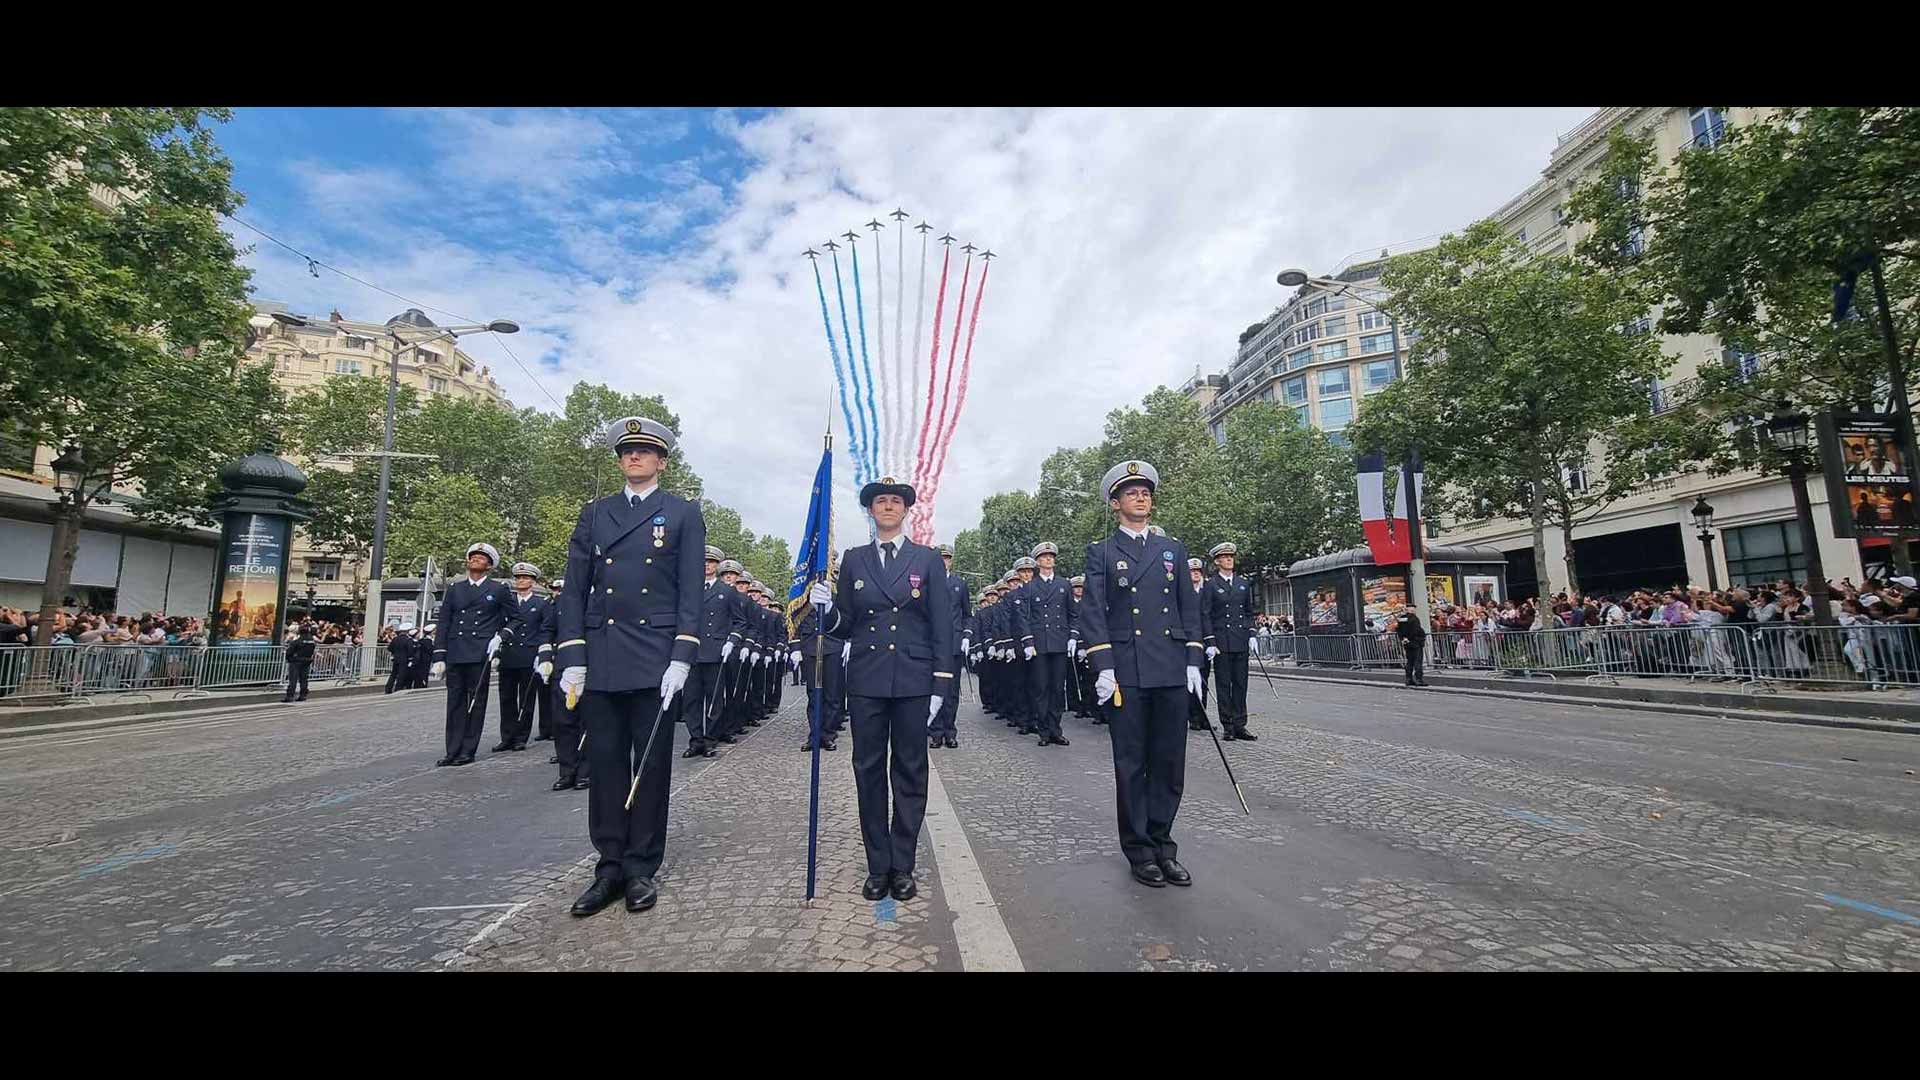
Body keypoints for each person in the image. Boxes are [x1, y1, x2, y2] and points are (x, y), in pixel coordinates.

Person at [558, 416, 705, 918]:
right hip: (602, 654)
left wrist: (682, 655)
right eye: (627, 452)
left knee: (650, 767)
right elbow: (574, 589)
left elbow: (691, 592)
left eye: (644, 452)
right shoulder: (595, 513)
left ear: (662, 461)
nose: (634, 458)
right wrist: (572, 655)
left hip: (655, 656)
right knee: (604, 763)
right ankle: (608, 866)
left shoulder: (682, 514)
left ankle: (641, 866)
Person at [806, 474, 954, 903]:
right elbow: (846, 624)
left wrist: (940, 683)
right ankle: (878, 864)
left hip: (913, 678)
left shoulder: (926, 560)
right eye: (880, 502)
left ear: (907, 510)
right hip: (868, 679)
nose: (888, 507)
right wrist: (826, 608)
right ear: (870, 511)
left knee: (909, 771)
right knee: (868, 770)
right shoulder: (853, 559)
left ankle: (902, 864)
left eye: (895, 501)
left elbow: (941, 624)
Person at [1077, 459, 1205, 890]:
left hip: (1169, 665)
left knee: (1169, 764)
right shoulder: (1103, 552)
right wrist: (1103, 667)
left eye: (1145, 491)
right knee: (1131, 764)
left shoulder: (1173, 550)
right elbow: (1092, 611)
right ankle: (1138, 850)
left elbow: (1189, 606)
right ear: (1115, 503)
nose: (1141, 496)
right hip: (1127, 670)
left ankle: (1163, 844)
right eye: (1131, 492)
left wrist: (1193, 660)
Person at [429, 543, 523, 767]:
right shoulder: (455, 589)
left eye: (481, 558)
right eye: (473, 556)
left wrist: (501, 636)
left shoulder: (498, 589)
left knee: (476, 704)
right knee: (454, 704)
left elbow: (516, 618)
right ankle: (452, 749)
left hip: (480, 651)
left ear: (489, 565)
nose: (476, 559)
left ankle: (467, 750)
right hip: (456, 650)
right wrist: (439, 655)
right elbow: (444, 622)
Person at [1010, 541, 1076, 747]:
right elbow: (1023, 617)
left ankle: (1056, 729)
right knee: (1041, 688)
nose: (1048, 559)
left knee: (1058, 688)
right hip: (1039, 644)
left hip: (1058, 642)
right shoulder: (1030, 587)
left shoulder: (1064, 585)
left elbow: (1072, 614)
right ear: (1038, 562)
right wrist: (1027, 641)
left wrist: (1073, 636)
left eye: (1051, 556)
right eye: (1044, 557)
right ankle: (1044, 731)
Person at [686, 546, 749, 759]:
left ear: (717, 566)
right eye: (704, 562)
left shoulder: (727, 591)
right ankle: (695, 739)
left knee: (714, 699)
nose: (706, 565)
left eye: (711, 562)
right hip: (693, 650)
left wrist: (731, 641)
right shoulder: (691, 588)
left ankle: (710, 739)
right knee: (692, 700)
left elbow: (740, 622)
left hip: (716, 651)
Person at [494, 562, 555, 753]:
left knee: (526, 699)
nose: (521, 581)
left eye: (526, 578)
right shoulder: (508, 602)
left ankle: (521, 737)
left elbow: (545, 629)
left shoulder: (542, 603)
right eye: (519, 578)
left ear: (533, 582)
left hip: (529, 654)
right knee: (506, 699)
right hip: (509, 654)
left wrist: (543, 654)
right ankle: (507, 737)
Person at [1202, 541, 1260, 741]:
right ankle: (1227, 724)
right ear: (1217, 561)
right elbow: (1206, 615)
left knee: (1241, 684)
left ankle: (1240, 724)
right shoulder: (1210, 585)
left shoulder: (1243, 584)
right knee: (1224, 684)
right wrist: (1210, 642)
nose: (1229, 560)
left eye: (1231, 557)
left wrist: (1252, 634)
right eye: (1225, 557)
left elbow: (1249, 612)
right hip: (1221, 642)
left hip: (1240, 639)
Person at [546, 576, 590, 791]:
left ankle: (585, 771)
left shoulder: (602, 596)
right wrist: (544, 658)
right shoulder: (562, 601)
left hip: (594, 667)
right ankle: (567, 771)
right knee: (563, 723)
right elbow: (548, 629)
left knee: (588, 724)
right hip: (563, 666)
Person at [929, 544, 970, 749]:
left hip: (953, 643)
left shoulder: (959, 584)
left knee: (952, 691)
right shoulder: (927, 583)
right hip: (932, 644)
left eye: (947, 558)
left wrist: (966, 636)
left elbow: (967, 614)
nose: (944, 561)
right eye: (940, 558)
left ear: (951, 561)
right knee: (934, 689)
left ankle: (950, 731)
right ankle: (935, 732)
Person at [1185, 557, 1214, 732]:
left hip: (1204, 641)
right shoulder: (1184, 592)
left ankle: (1203, 716)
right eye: (1192, 571)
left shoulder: (1206, 591)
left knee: (1204, 680)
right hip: (1188, 643)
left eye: (1198, 571)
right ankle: (1193, 717)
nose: (1195, 574)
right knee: (1190, 681)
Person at [1393, 608, 1428, 686]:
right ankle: (1419, 679)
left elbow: (1398, 629)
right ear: (1412, 611)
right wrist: (1409, 638)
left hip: (1406, 643)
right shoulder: (1414, 619)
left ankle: (1408, 679)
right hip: (1415, 642)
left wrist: (1403, 638)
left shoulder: (1402, 619)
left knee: (1410, 661)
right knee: (1417, 661)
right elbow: (1415, 630)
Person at [284, 622, 317, 702]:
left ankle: (290, 696)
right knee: (304, 680)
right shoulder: (312, 642)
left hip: (296, 661)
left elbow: (289, 652)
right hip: (307, 661)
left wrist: (289, 658)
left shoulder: (297, 641)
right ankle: (303, 695)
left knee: (293, 680)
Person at [386, 622, 415, 693]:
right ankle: (398, 688)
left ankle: (388, 688)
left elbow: (389, 648)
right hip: (404, 660)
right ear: (407, 631)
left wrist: (394, 653)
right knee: (401, 674)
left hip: (396, 659)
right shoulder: (408, 640)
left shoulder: (395, 639)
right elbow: (410, 651)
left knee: (393, 674)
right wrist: (410, 658)